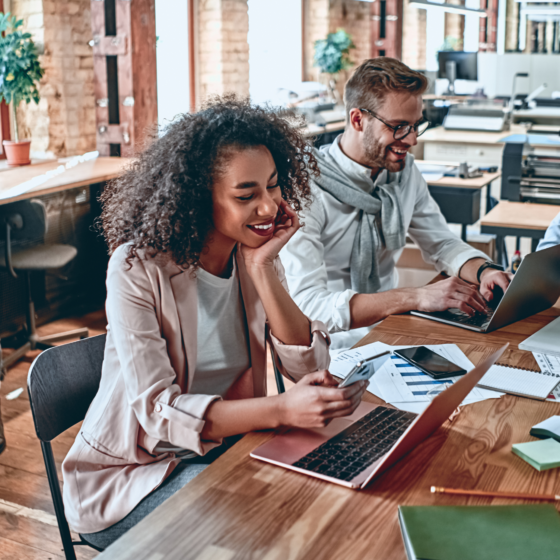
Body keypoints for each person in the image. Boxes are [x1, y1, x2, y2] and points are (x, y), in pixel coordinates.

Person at [62, 97, 367, 548]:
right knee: (265, 529)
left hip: (218, 450)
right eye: (246, 195)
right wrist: (282, 410)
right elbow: (158, 413)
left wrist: (264, 269)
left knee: (331, 500)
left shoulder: (252, 255)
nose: (268, 208)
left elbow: (306, 366)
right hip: (131, 476)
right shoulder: (137, 268)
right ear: (198, 196)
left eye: (273, 186)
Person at [280, 58, 512, 351]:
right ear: (357, 120)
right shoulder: (303, 188)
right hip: (331, 343)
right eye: (399, 127)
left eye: (416, 126)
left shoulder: (404, 172)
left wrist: (484, 271)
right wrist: (414, 297)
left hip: (397, 327)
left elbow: (441, 243)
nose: (412, 139)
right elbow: (308, 305)